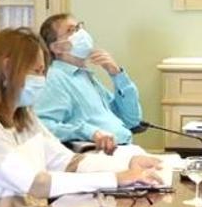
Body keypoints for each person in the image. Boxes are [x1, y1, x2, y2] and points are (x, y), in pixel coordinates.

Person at [0, 27, 162, 207]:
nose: (42, 80)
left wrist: (129, 164)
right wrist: (117, 179)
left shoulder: (22, 114)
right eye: (36, 72)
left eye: (43, 72)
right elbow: (37, 184)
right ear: (7, 69)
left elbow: (67, 161)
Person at [34, 14, 142, 154]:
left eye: (79, 27)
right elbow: (43, 127)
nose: (81, 33)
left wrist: (117, 74)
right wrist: (89, 132)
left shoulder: (84, 76)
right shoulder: (54, 78)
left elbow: (131, 119)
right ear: (56, 48)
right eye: (72, 30)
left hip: (122, 149)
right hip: (99, 154)